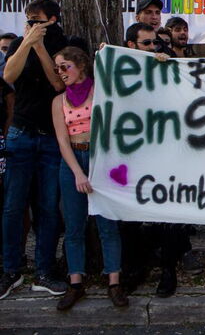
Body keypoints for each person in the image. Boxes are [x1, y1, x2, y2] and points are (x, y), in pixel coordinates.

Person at [1, 0, 80, 300]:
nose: (32, 24)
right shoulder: (19, 42)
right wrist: (26, 44)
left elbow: (58, 84)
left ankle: (44, 270)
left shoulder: (67, 44)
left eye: (38, 20)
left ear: (52, 20)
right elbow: (8, 76)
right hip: (21, 133)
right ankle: (11, 269)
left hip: (50, 136)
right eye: (29, 19)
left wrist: (39, 47)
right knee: (13, 206)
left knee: (48, 208)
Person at [51, 46, 128, 310]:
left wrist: (106, 54)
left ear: (80, 65)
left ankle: (114, 281)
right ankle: (75, 283)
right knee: (74, 225)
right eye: (57, 68)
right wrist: (77, 172)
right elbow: (62, 140)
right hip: (73, 159)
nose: (61, 73)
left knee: (107, 224)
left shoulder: (99, 91)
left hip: (100, 159)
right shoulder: (58, 101)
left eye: (65, 66)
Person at [119, 23, 188, 297]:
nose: (152, 48)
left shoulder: (167, 67)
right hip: (134, 157)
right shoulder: (119, 70)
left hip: (165, 155)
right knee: (130, 217)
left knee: (167, 216)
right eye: (146, 44)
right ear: (131, 46)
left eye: (154, 43)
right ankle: (134, 269)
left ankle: (168, 270)